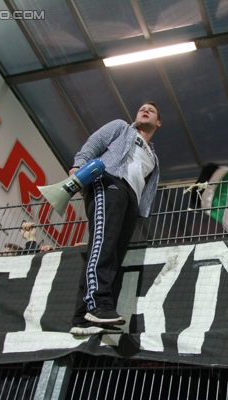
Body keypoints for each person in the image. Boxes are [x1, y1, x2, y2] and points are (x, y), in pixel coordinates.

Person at [69, 102, 162, 337]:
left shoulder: (154, 158)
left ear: (158, 123)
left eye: (151, 110)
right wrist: (78, 167)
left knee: (113, 255)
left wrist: (140, 209)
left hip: (131, 199)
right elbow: (95, 142)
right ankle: (99, 303)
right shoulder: (122, 127)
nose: (145, 110)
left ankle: (82, 317)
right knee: (103, 243)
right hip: (109, 182)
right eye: (142, 108)